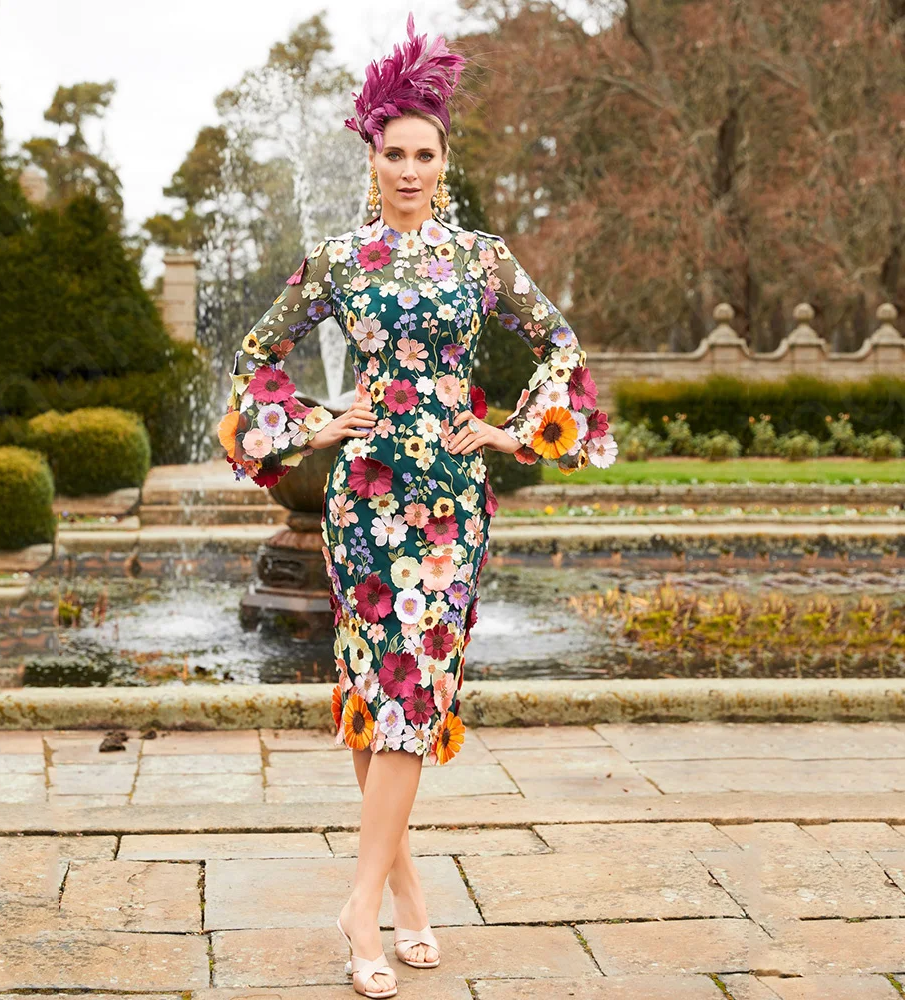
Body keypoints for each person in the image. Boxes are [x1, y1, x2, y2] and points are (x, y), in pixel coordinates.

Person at [217, 12, 617, 996]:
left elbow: (559, 343)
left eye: (423, 154)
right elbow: (257, 353)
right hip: (362, 503)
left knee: (409, 689)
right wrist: (313, 424)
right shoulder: (339, 261)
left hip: (449, 507)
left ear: (444, 159)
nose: (407, 168)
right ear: (373, 157)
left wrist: (514, 434)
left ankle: (368, 901)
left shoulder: (481, 260)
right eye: (392, 152)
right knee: (378, 687)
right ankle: (394, 900)